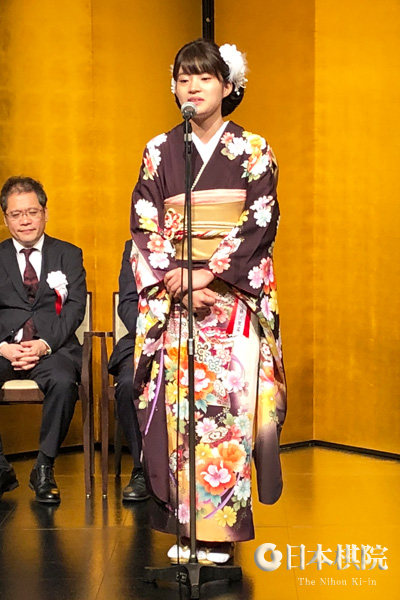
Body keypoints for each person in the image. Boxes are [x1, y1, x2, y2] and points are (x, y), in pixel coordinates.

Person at [130, 39, 287, 563]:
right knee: (179, 416)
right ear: (173, 87)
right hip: (176, 297)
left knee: (227, 415)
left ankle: (219, 532)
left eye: (204, 77)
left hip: (228, 300)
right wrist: (176, 277)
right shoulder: (158, 150)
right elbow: (144, 220)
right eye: (183, 78)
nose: (192, 87)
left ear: (227, 85)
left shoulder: (255, 149)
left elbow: (259, 220)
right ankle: (185, 529)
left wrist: (207, 275)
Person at [0, 176, 87, 504]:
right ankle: (0, 468)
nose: (25, 220)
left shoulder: (68, 254)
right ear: (6, 218)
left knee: (64, 382)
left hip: (54, 349)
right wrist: (3, 347)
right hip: (5, 348)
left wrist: (44, 344)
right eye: (16, 214)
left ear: (45, 213)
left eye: (32, 212)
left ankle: (44, 467)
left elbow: (75, 307)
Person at [108, 240, 149, 501]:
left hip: (195, 337)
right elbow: (127, 303)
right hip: (144, 337)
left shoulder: (201, 242)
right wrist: (153, 331)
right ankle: (141, 468)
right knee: (127, 383)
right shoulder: (135, 247)